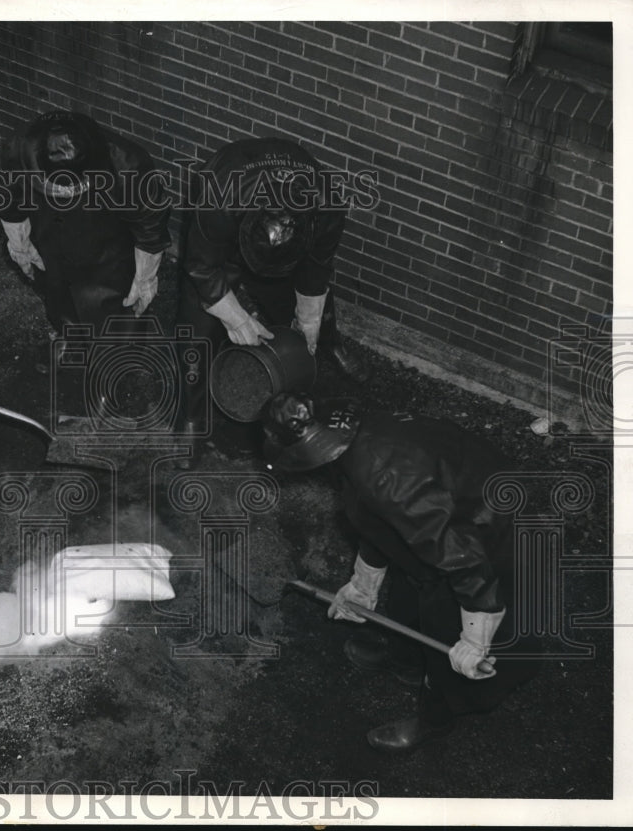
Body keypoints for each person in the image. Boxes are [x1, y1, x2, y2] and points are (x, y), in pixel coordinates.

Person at [262, 392, 542, 753]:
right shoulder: (354, 441)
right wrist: (363, 585)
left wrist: (475, 638)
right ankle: (405, 661)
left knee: (446, 629)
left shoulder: (388, 480)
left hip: (483, 530)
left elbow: (464, 561)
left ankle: (435, 718)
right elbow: (379, 522)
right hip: (448, 510)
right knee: (410, 589)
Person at [176, 137, 371, 444]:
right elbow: (201, 267)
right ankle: (191, 417)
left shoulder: (326, 204)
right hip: (222, 239)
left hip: (285, 251)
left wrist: (309, 319)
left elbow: (317, 268)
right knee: (195, 330)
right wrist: (236, 318)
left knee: (305, 308)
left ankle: (330, 343)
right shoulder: (218, 198)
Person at [0, 109, 171, 335]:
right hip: (51, 233)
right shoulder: (17, 150)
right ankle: (69, 334)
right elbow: (9, 199)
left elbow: (151, 226)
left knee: (120, 313)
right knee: (57, 294)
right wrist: (20, 246)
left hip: (111, 246)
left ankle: (119, 357)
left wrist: (145, 277)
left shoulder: (129, 165)